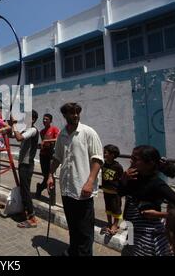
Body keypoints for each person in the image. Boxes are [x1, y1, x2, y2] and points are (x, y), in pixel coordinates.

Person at [47, 102, 103, 256]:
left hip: (83, 190)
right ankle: (73, 251)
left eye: (78, 112)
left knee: (85, 229)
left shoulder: (88, 132)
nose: (76, 115)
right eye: (72, 113)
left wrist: (90, 182)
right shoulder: (62, 134)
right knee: (73, 226)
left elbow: (97, 159)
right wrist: (50, 176)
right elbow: (57, 157)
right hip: (66, 188)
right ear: (65, 115)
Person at [119, 145, 175, 256]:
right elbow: (120, 193)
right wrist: (123, 180)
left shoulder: (157, 185)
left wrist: (160, 214)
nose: (131, 161)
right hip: (131, 229)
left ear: (149, 164)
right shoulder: (133, 176)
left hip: (148, 235)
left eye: (135, 159)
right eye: (131, 157)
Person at [12, 110, 40, 228]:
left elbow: (18, 138)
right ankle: (26, 214)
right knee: (24, 190)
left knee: (26, 190)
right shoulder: (26, 129)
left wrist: (13, 124)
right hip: (23, 163)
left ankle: (32, 218)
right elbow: (12, 134)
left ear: (33, 119)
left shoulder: (32, 130)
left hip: (27, 164)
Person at [35, 113, 60, 199]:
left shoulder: (54, 129)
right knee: (46, 176)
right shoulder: (41, 132)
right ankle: (41, 188)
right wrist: (40, 145)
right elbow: (43, 143)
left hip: (51, 155)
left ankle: (51, 196)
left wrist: (46, 141)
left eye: (46, 119)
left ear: (50, 121)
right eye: (43, 119)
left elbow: (58, 139)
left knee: (50, 175)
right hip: (43, 156)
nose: (44, 121)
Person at [101, 144, 124, 235]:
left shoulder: (117, 167)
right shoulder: (104, 164)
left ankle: (115, 224)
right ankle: (109, 222)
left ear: (112, 155)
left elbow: (121, 180)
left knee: (116, 208)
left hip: (115, 192)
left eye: (105, 152)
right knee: (108, 208)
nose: (104, 154)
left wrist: (121, 191)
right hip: (106, 190)